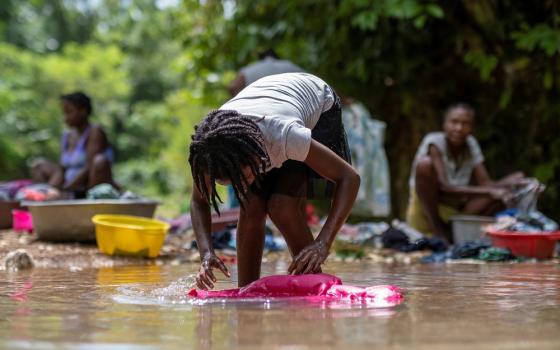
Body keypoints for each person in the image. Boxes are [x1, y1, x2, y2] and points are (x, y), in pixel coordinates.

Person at [189, 73, 359, 290]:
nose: (243, 183)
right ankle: (247, 292)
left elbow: (350, 178)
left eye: (245, 176)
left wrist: (323, 243)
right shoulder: (209, 151)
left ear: (255, 155)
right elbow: (198, 202)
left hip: (317, 102)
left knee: (282, 207)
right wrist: (206, 253)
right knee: (250, 206)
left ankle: (314, 284)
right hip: (266, 107)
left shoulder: (285, 135)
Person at [406, 103, 527, 242]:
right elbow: (445, 187)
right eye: (454, 122)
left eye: (465, 123)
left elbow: (486, 183)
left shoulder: (470, 144)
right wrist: (491, 191)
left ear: (472, 127)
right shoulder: (434, 142)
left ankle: (458, 233)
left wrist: (513, 182)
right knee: (424, 165)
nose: (459, 128)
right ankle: (439, 232)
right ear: (444, 124)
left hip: (455, 212)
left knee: (512, 184)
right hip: (428, 212)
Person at [31, 92, 116, 197]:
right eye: (64, 113)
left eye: (69, 112)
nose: (65, 118)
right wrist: (51, 188)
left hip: (86, 185)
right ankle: (49, 196)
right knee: (38, 165)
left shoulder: (95, 131)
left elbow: (89, 167)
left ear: (83, 111)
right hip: (69, 184)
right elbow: (62, 168)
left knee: (99, 161)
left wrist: (67, 188)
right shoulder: (66, 135)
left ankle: (90, 199)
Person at [228, 49, 304, 97]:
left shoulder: (250, 69)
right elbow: (310, 80)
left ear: (261, 59)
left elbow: (233, 87)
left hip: (256, 113)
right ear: (276, 56)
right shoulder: (288, 66)